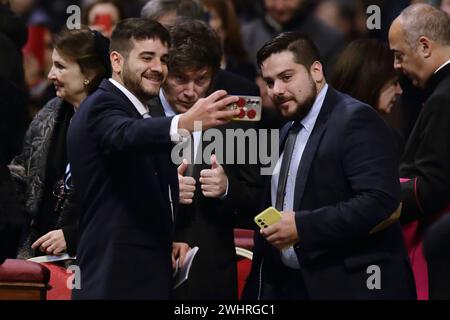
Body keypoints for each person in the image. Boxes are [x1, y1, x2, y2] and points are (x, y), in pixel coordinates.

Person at [67, 18, 241, 299]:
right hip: (114, 280)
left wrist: (166, 240)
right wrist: (186, 121)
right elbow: (126, 134)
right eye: (146, 57)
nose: (158, 68)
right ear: (117, 61)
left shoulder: (136, 112)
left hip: (143, 276)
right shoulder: (103, 105)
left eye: (163, 59)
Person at [242, 32, 416, 299]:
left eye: (287, 77)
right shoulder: (288, 128)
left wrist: (302, 226)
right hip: (295, 284)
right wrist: (226, 189)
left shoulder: (356, 119)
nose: (276, 90)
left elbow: (380, 201)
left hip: (354, 286)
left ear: (316, 71)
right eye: (269, 81)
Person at [147, 19, 264, 300]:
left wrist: (227, 190)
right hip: (143, 270)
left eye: (201, 79)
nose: (191, 92)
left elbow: (261, 202)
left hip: (209, 277)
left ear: (216, 72)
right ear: (163, 70)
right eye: (179, 79)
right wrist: (164, 190)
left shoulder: (241, 113)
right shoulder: (133, 111)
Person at [8, 26, 111, 261]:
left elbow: (122, 200)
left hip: (91, 258)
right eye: (53, 64)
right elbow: (23, 169)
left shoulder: (114, 121)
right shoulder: (51, 111)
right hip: (37, 250)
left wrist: (74, 234)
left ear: (90, 72)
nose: (50, 75)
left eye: (61, 67)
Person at [388, 3, 450, 300]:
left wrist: (377, 199)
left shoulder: (444, 97)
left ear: (424, 46)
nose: (397, 66)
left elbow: (433, 186)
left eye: (399, 55)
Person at [330, 39, 404, 154]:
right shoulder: (382, 140)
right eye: (394, 83)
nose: (399, 91)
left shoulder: (323, 131)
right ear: (371, 82)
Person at [203, 0, 257, 82]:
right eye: (205, 17)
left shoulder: (243, 69)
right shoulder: (191, 68)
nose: (207, 23)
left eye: (213, 17)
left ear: (225, 27)